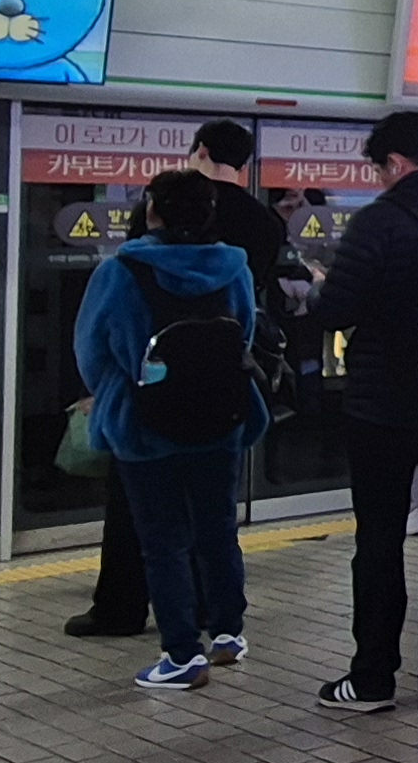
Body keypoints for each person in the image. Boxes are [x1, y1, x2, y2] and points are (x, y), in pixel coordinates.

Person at [68, 119, 297, 640]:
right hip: (221, 403)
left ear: (201, 150)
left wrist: (111, 391)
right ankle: (218, 622)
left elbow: (95, 345)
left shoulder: (127, 263)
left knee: (146, 526)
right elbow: (245, 327)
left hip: (144, 408)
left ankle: (127, 613)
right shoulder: (257, 236)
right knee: (215, 525)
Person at [312, 107, 418, 712]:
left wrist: (319, 287)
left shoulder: (379, 223)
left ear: (396, 163)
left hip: (382, 403)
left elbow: (337, 310)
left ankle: (373, 677)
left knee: (380, 541)